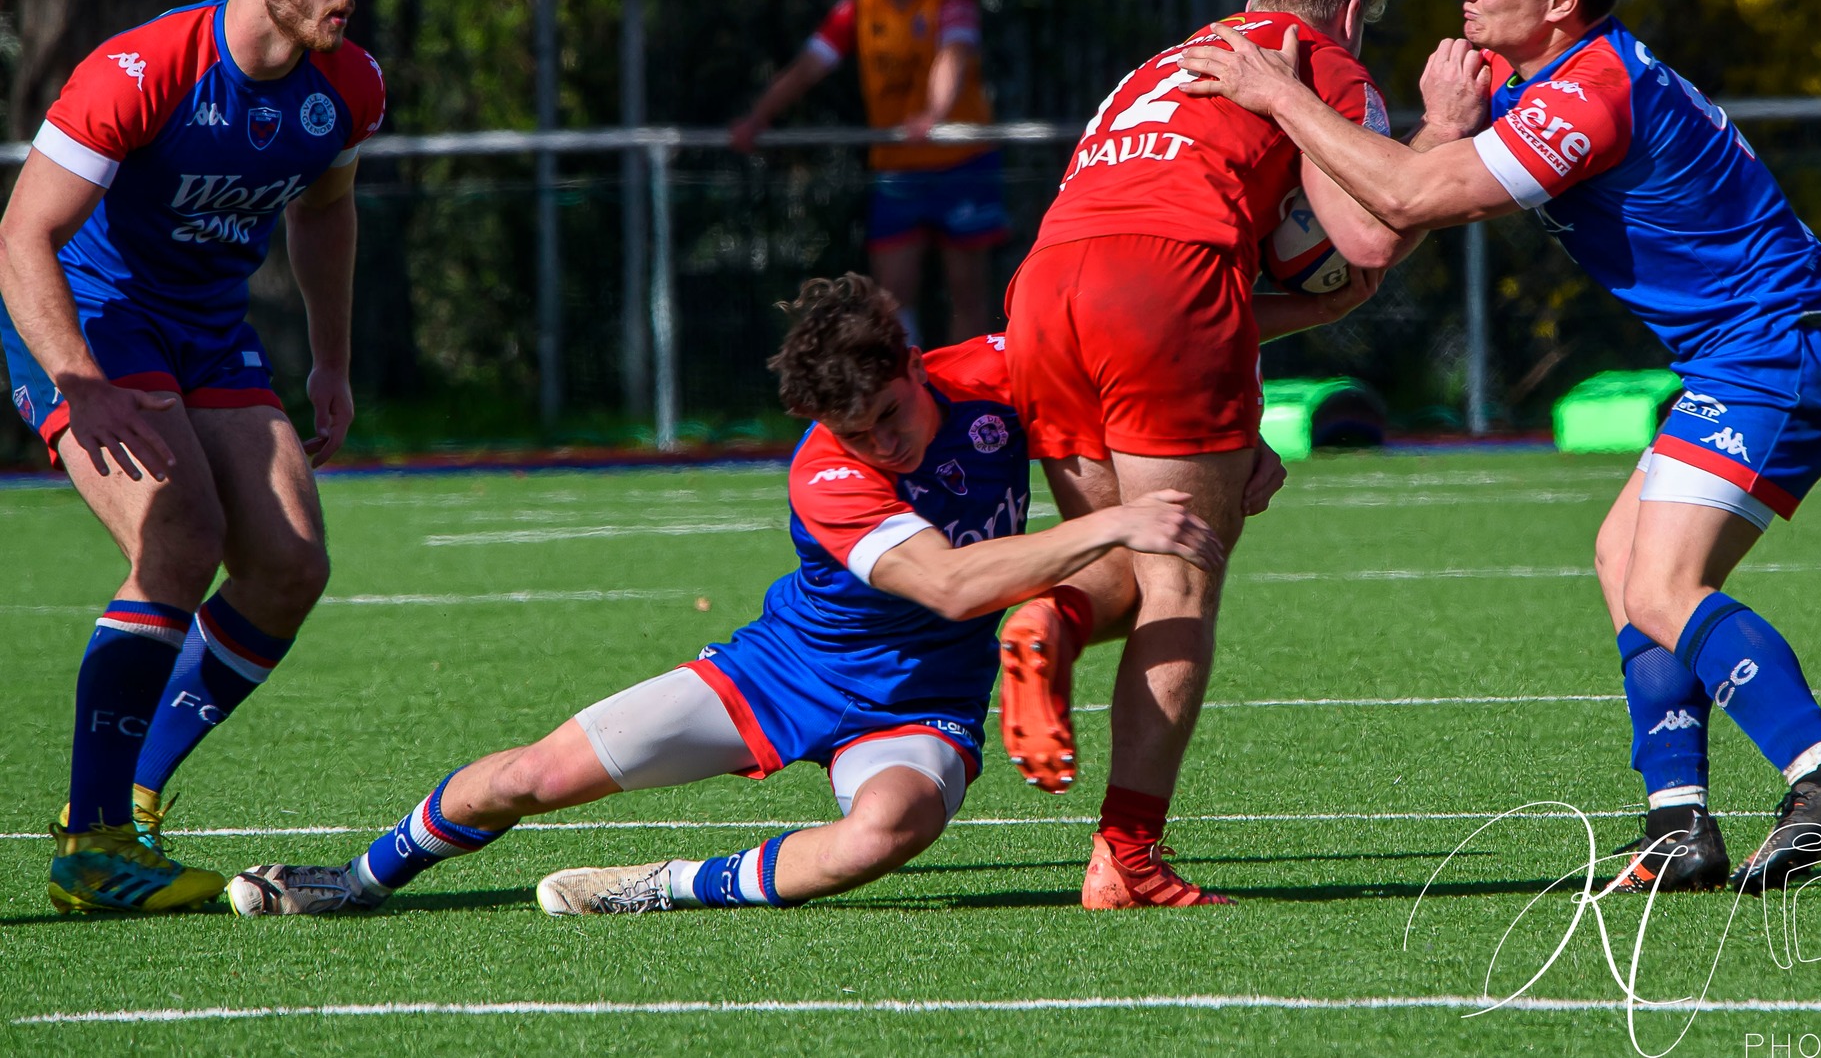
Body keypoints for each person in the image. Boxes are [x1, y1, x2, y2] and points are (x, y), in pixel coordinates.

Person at [1178, 0, 1821, 895]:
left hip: (1779, 346)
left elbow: (1403, 195)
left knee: (1660, 583)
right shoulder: (1553, 81)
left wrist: (1276, 93)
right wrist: (1439, 123)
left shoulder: (1585, 93)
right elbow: (1410, 202)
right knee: (1622, 559)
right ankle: (1677, 824)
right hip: (1759, 348)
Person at [227, 275, 1224, 917]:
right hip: (782, 671)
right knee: (527, 776)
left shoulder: (997, 375)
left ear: (915, 364)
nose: (880, 442)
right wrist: (1111, 522)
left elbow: (1142, 348)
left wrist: (1235, 437)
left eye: (886, 414)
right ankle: (356, 879)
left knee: (891, 827)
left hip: (919, 702)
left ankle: (663, 886)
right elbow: (957, 586)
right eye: (853, 430)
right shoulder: (825, 476)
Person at [997, 0, 1430, 909]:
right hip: (1164, 285)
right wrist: (1437, 137)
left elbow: (1158, 220)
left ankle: (1046, 616)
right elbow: (1369, 228)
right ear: (1349, 12)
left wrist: (1283, 334)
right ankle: (1126, 858)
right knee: (1180, 583)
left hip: (1044, 290)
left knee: (1119, 558)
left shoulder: (1163, 61)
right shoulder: (1317, 61)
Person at [0, 0, 385, 914]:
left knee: (290, 564)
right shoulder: (143, 68)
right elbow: (22, 233)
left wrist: (333, 359)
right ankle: (92, 847)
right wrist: (82, 377)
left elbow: (322, 212)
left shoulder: (347, 86)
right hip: (92, 317)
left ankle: (137, 785)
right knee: (177, 538)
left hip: (208, 329)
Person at [732, 0, 1003, 347]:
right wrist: (758, 117)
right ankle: (912, 392)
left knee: (967, 292)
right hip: (897, 168)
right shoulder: (858, 10)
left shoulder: (950, 0)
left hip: (961, 163)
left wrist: (934, 113)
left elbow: (952, 56)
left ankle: (969, 395)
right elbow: (808, 68)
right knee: (892, 295)